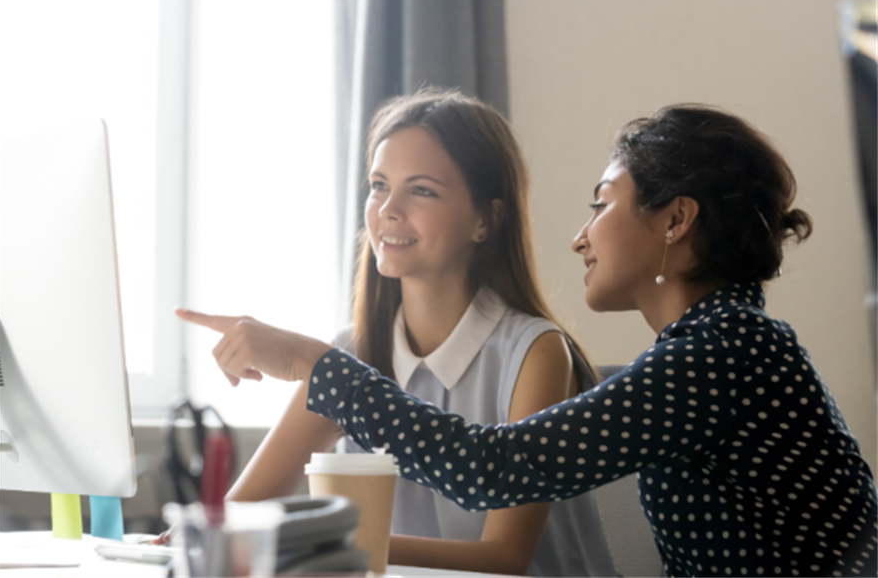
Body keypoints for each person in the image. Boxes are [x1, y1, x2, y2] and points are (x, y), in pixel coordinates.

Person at [185, 104, 878, 577]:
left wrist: (316, 366)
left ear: (676, 220)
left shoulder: (724, 353)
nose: (581, 235)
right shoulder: (716, 347)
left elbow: (492, 469)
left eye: (602, 203)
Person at [177, 89, 615, 577]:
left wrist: (326, 542)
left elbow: (503, 558)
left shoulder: (535, 352)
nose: (388, 209)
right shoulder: (353, 353)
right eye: (379, 185)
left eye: (421, 190)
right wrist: (182, 541)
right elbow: (240, 512)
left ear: (484, 220)